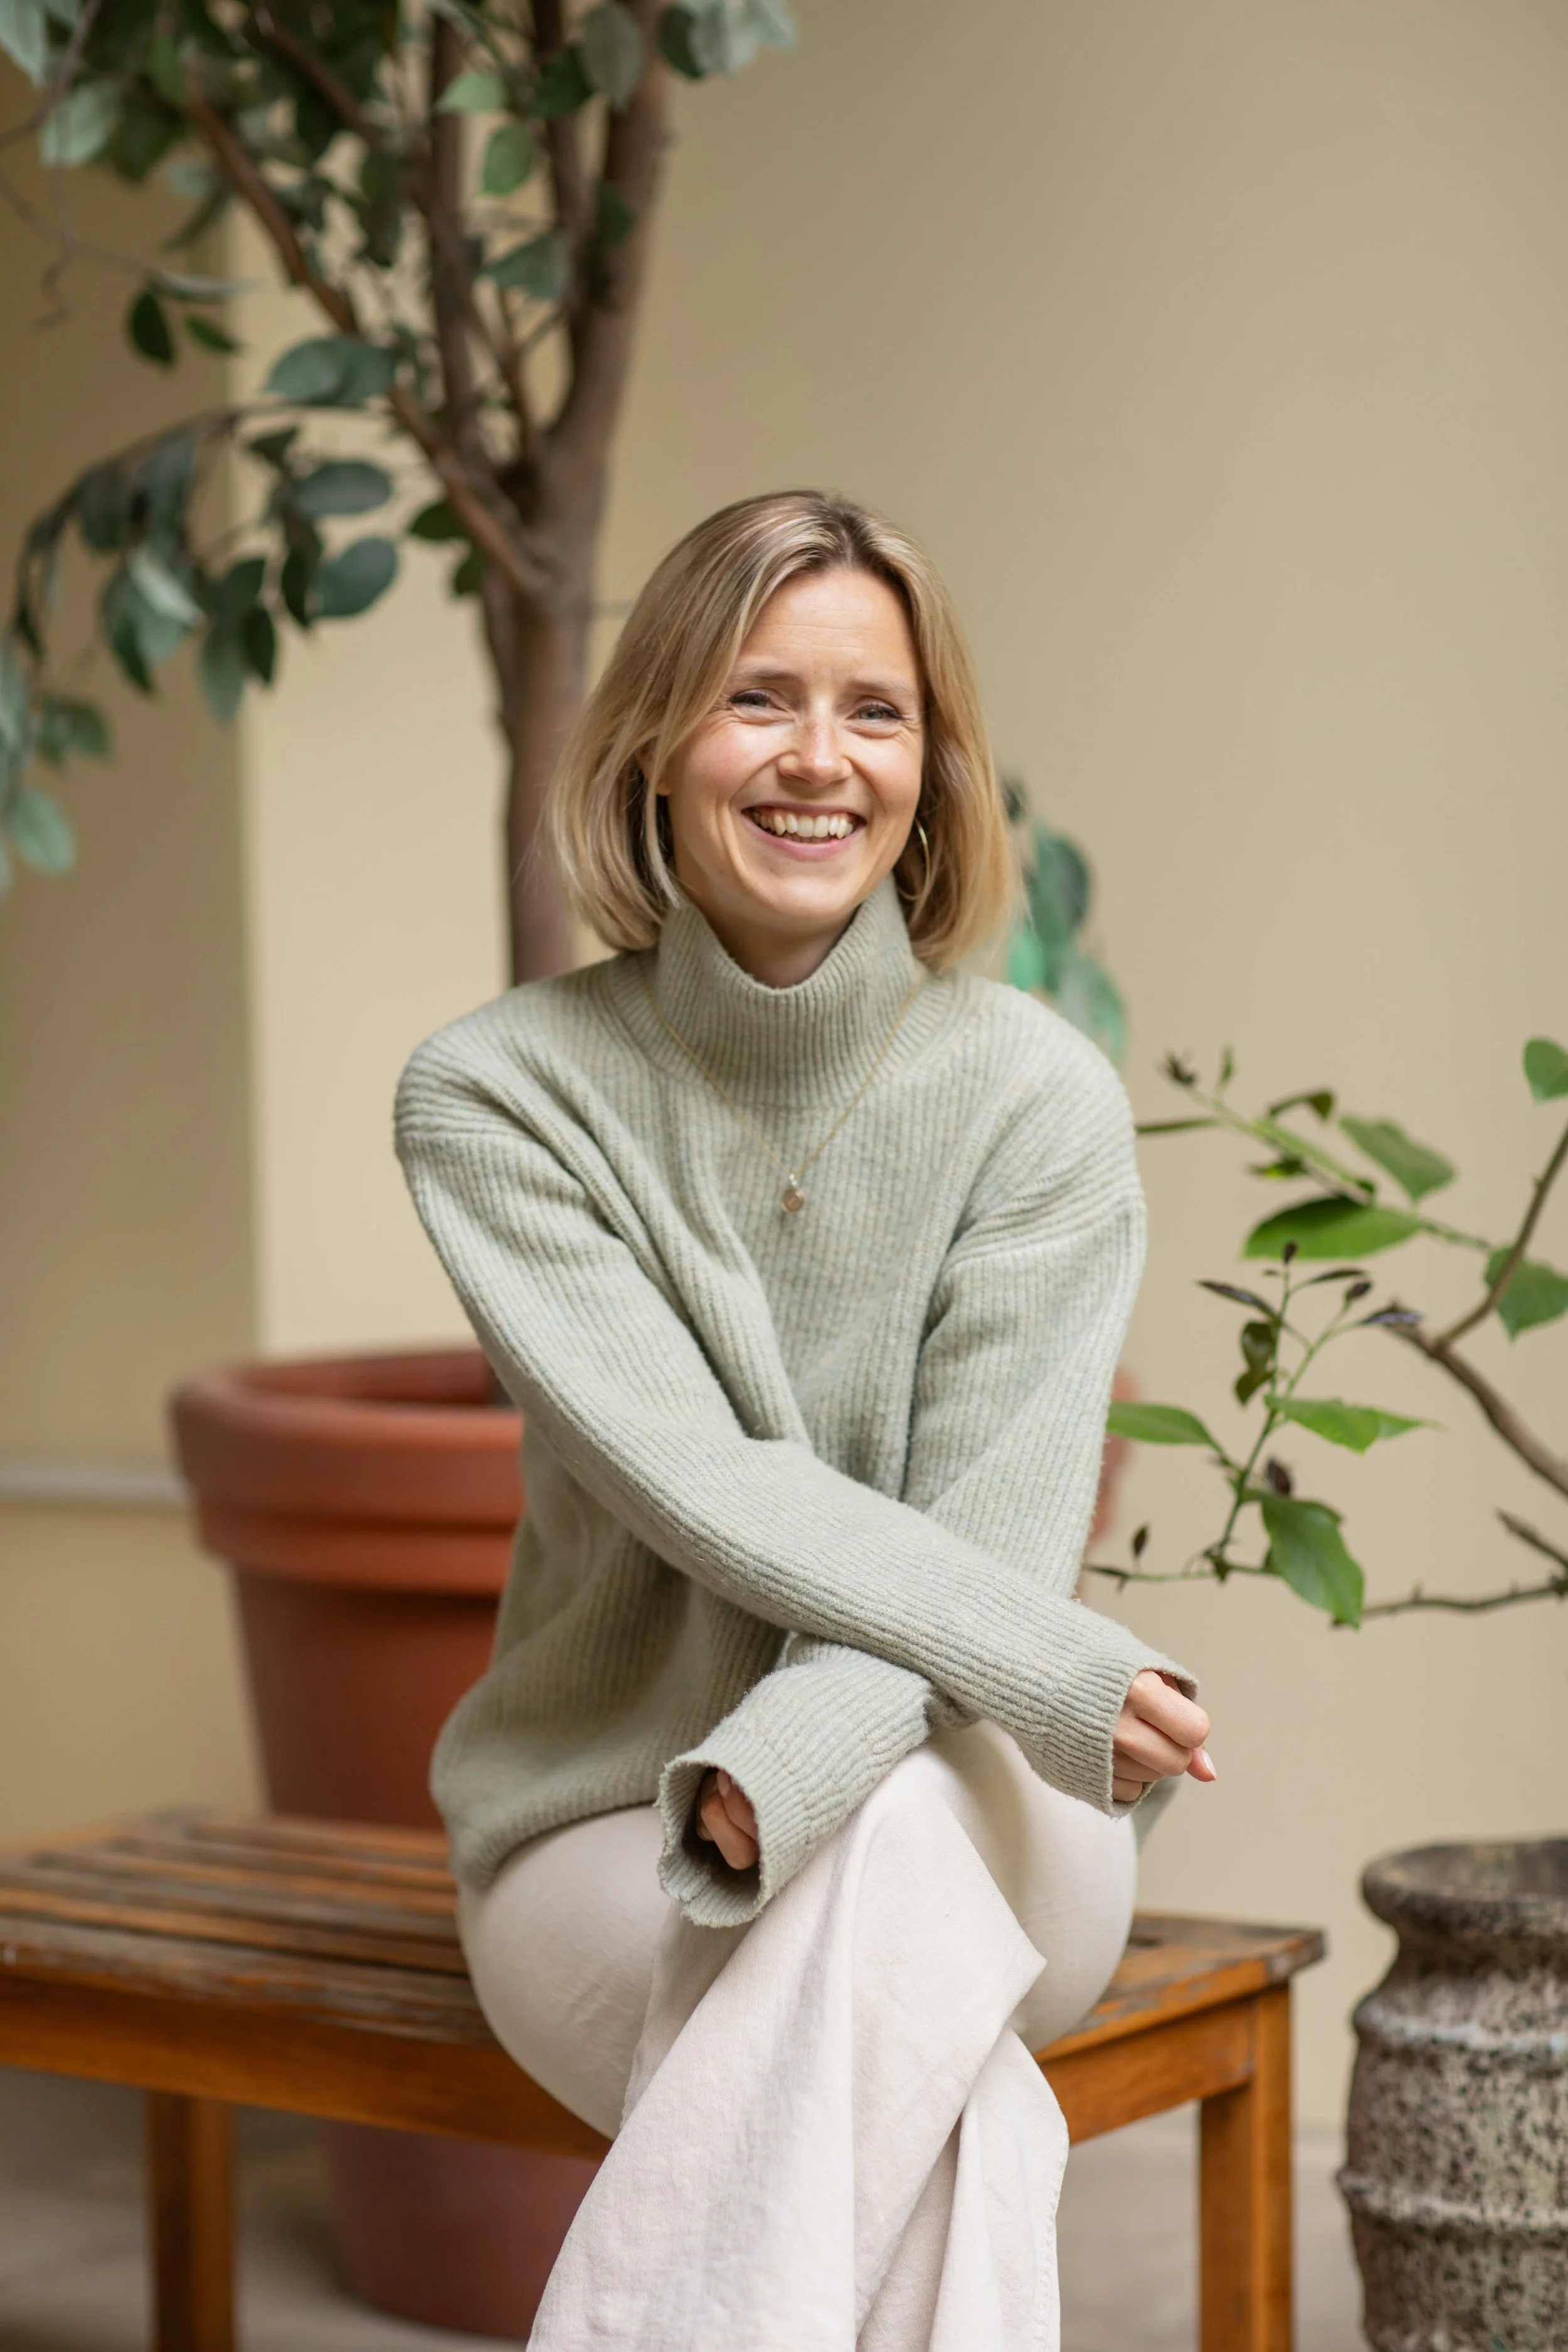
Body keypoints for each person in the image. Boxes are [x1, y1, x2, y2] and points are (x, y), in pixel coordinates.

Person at [394, 490, 1213, 2351]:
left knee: (905, 1844)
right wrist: (1053, 1663)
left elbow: (998, 1521)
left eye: (878, 710)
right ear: (658, 739)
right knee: (947, 2105)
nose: (820, 759)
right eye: (760, 697)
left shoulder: (1034, 1102)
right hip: (615, 1813)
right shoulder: (501, 1097)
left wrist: (799, 1764)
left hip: (988, 1801)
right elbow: (701, 1481)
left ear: (933, 770)